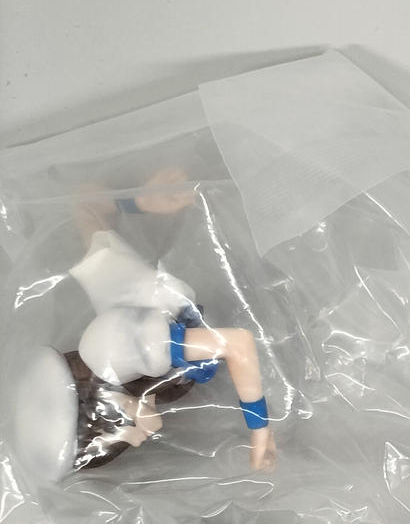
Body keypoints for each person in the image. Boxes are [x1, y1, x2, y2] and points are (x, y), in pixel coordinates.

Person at [10, 168, 277, 480]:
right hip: (256, 289)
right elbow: (85, 204)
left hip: (249, 259)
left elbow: (237, 343)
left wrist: (260, 430)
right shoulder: (124, 365)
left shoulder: (118, 349)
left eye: (112, 436)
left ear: (104, 406)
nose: (135, 441)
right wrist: (136, 202)